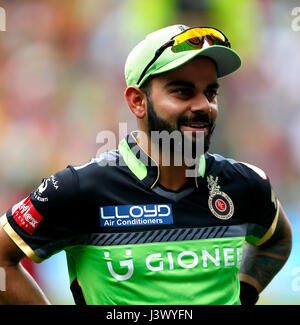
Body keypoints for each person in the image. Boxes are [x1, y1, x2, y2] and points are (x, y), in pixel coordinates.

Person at [0, 24, 292, 305]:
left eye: (210, 92)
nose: (204, 105)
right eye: (183, 92)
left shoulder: (244, 183)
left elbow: (278, 239)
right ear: (138, 101)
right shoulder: (79, 189)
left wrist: (243, 296)